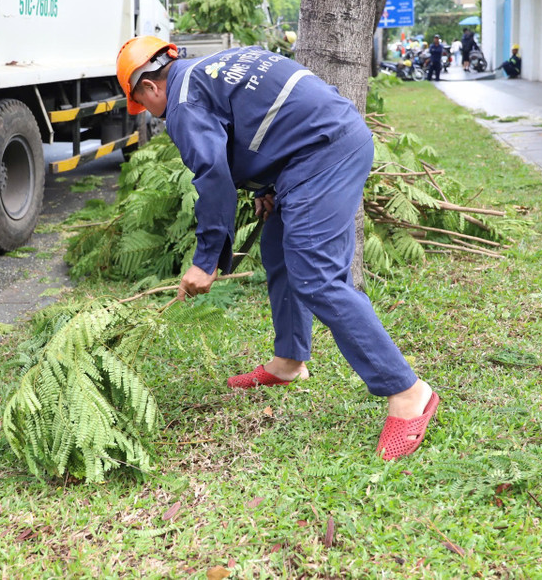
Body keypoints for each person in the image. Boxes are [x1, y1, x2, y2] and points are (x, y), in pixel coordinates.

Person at [115, 36, 440, 461]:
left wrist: (206, 260)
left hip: (323, 155)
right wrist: (267, 186)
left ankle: (407, 391)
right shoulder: (211, 70)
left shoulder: (182, 102)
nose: (153, 116)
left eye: (145, 107)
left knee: (317, 278)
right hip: (318, 147)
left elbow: (212, 176)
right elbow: (267, 120)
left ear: (147, 88)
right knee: (279, 249)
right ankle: (289, 362)